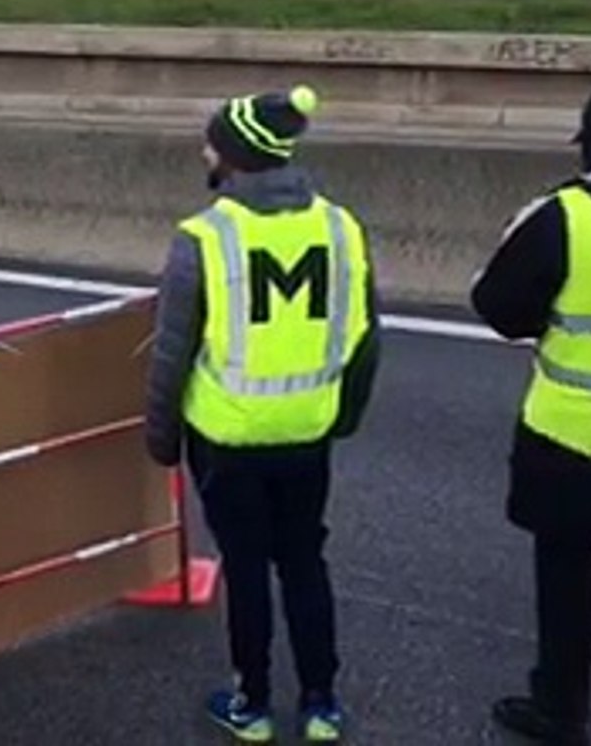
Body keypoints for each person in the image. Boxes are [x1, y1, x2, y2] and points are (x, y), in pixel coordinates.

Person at [145, 85, 382, 744]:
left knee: (246, 569)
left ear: (231, 157)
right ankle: (320, 703)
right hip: (307, 429)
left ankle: (250, 703)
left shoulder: (204, 235)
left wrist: (161, 439)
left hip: (226, 436)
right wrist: (342, 416)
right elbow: (366, 339)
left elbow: (172, 353)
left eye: (210, 144)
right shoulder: (340, 225)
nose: (203, 151)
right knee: (305, 561)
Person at [471, 79, 591, 745]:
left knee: (564, 579)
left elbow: (499, 310)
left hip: (570, 442)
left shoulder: (558, 218)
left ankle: (559, 707)